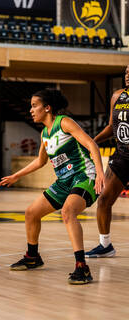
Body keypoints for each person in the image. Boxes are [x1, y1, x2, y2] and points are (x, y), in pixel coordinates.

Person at [0, 89, 104, 285]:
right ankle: (33, 257)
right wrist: (16, 175)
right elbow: (40, 161)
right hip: (64, 181)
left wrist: (99, 173)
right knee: (31, 213)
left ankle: (82, 267)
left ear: (47, 108)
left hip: (83, 176)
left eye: (34, 106)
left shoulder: (64, 122)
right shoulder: (44, 134)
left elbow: (92, 145)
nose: (31, 110)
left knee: (68, 212)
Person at [85, 65, 129, 258]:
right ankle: (105, 245)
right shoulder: (117, 96)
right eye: (127, 72)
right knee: (103, 200)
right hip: (121, 157)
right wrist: (92, 141)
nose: (128, 76)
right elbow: (112, 127)